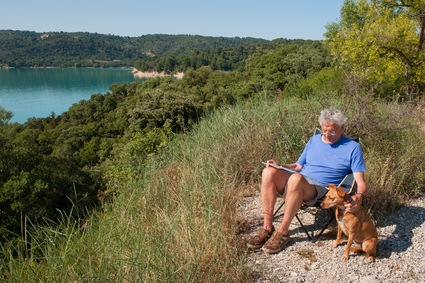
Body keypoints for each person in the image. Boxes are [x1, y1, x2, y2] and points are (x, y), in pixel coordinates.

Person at [247, 107, 367, 254]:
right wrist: (279, 166)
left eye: (332, 131)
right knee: (268, 172)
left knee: (296, 179)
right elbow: (298, 166)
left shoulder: (352, 148)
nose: (327, 135)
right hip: (298, 181)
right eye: (324, 130)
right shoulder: (314, 140)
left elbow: (360, 181)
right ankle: (267, 227)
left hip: (320, 190)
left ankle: (283, 232)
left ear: (342, 127)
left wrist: (359, 196)